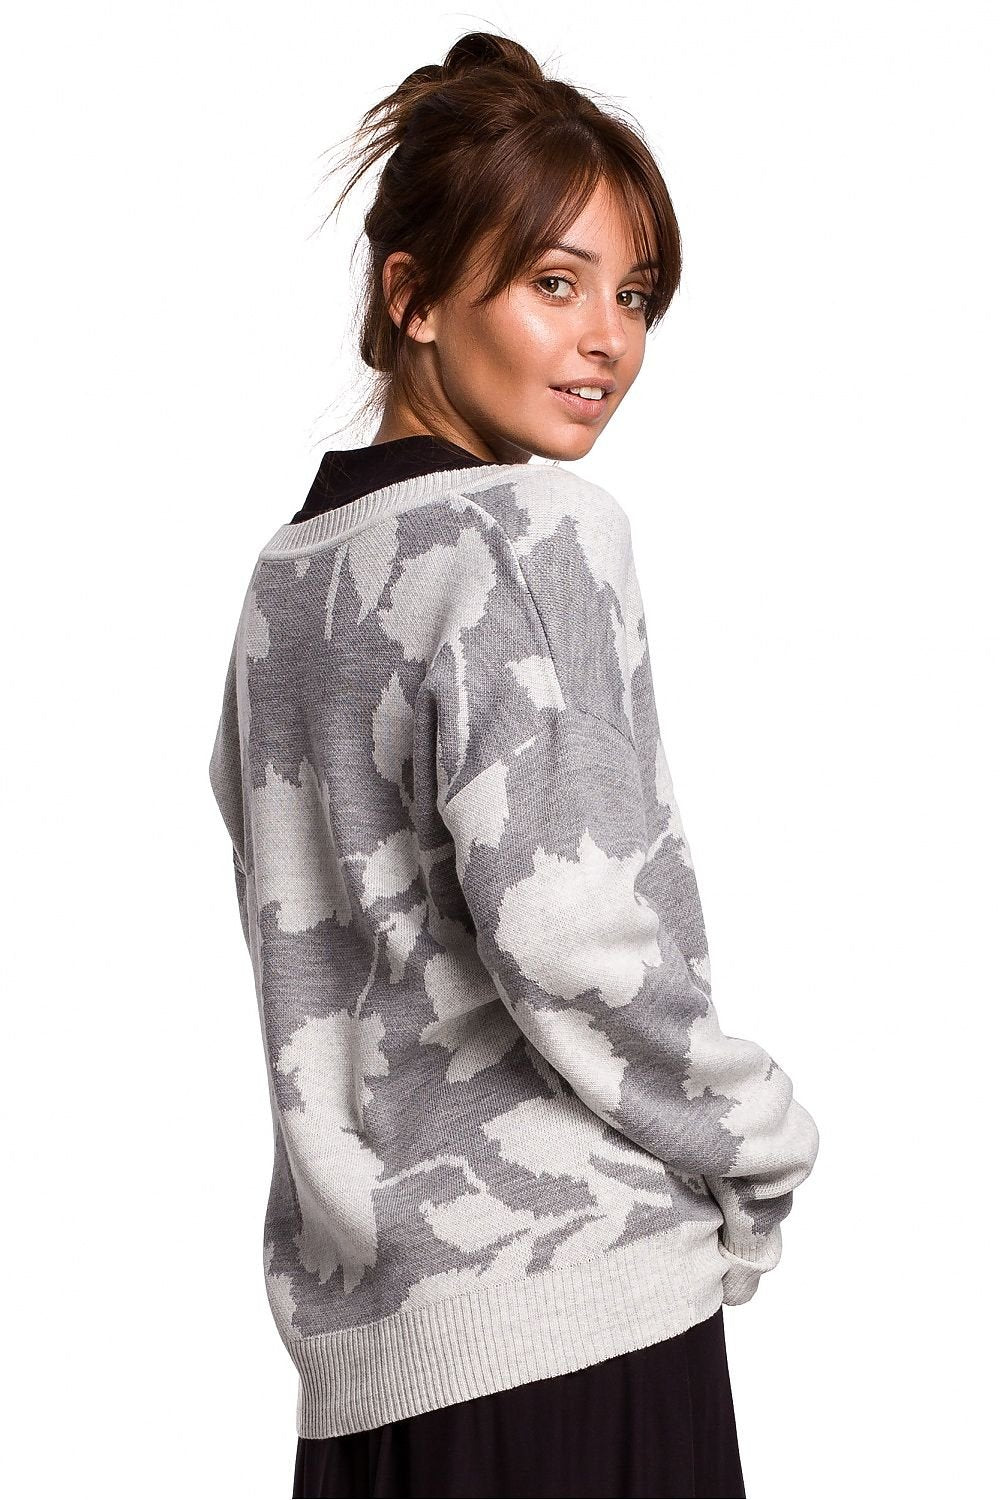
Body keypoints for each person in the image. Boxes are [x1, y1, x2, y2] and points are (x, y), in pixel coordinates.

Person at [208, 29, 820, 1500]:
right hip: (572, 1315)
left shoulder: (288, 585)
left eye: (635, 295)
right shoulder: (533, 532)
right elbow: (572, 932)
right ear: (412, 297)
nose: (609, 338)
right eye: (556, 283)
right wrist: (759, 1137)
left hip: (372, 1357)